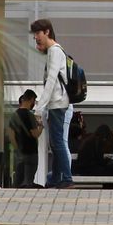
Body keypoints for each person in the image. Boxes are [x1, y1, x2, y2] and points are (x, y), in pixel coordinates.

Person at [31, 18, 73, 190]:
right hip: (56, 102)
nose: (36, 38)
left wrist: (39, 107)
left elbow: (51, 80)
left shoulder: (55, 51)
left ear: (47, 31)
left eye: (38, 34)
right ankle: (56, 178)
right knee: (55, 142)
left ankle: (66, 178)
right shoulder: (53, 51)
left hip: (57, 103)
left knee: (58, 141)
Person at [7, 89, 43, 188]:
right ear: (31, 99)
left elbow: (11, 134)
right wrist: (41, 126)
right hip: (31, 152)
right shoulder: (30, 115)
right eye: (34, 101)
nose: (34, 103)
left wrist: (17, 148)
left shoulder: (14, 115)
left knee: (18, 180)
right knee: (28, 182)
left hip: (19, 153)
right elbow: (35, 134)